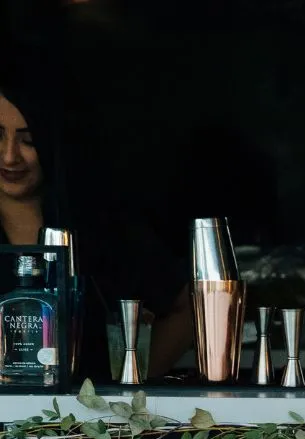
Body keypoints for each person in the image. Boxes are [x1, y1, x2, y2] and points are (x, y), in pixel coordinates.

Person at [0, 83, 195, 378]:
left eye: (29, 140)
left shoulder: (104, 229)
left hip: (86, 418)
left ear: (54, 144)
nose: (9, 156)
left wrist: (130, 386)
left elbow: (192, 307)